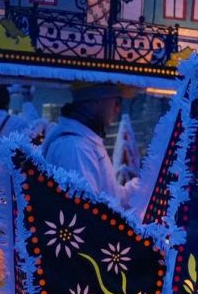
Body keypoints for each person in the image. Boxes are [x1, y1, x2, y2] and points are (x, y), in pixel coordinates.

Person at [41, 81, 140, 209]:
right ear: (93, 102)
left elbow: (113, 198)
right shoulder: (75, 148)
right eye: (116, 102)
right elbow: (87, 212)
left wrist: (145, 185)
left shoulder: (86, 142)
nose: (117, 109)